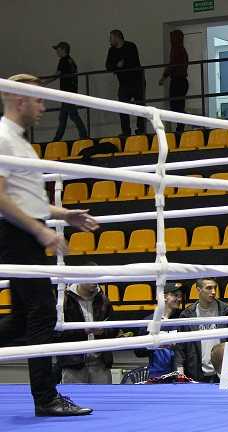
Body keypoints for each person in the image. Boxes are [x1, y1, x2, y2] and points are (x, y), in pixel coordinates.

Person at [0, 74, 99, 416]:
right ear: (20, 99)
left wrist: (64, 215)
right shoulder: (4, 138)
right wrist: (39, 232)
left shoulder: (19, 141)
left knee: (20, 321)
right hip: (18, 234)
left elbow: (28, 200)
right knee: (42, 313)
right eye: (39, 99)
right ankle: (46, 398)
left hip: (23, 231)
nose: (44, 107)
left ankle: (46, 397)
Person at [174, 278, 228, 383]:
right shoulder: (187, 314)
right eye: (209, 288)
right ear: (199, 290)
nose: (213, 292)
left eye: (215, 288)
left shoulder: (227, 311)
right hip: (196, 374)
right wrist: (179, 370)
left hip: (224, 373)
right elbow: (180, 347)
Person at [56, 276, 115, 384]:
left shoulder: (103, 299)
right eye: (91, 277)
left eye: (97, 277)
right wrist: (83, 331)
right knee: (74, 395)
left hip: (100, 363)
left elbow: (114, 328)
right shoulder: (64, 300)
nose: (95, 281)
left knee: (103, 395)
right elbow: (57, 334)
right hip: (73, 365)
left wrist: (103, 331)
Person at [134, 281, 184, 378]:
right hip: (157, 375)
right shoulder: (150, 321)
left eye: (180, 296)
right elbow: (138, 351)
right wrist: (155, 344)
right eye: (175, 295)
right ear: (164, 297)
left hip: (179, 374)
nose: (179, 299)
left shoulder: (181, 320)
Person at [105, 29, 146, 136]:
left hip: (137, 81)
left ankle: (141, 130)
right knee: (123, 107)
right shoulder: (112, 50)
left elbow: (132, 62)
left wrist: (117, 67)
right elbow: (108, 66)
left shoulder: (130, 46)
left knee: (140, 107)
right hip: (124, 83)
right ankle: (126, 131)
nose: (110, 40)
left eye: (111, 38)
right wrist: (117, 65)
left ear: (117, 37)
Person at [50, 42, 88, 141]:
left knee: (72, 116)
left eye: (58, 49)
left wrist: (44, 82)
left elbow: (57, 74)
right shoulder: (71, 61)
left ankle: (84, 136)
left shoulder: (63, 61)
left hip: (67, 93)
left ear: (63, 50)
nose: (57, 52)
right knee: (63, 117)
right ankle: (57, 139)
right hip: (71, 92)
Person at [158, 30, 189, 133]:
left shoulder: (177, 50)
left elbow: (172, 65)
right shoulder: (181, 49)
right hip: (181, 81)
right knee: (178, 105)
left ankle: (181, 126)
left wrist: (163, 77)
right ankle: (180, 126)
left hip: (178, 81)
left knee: (176, 106)